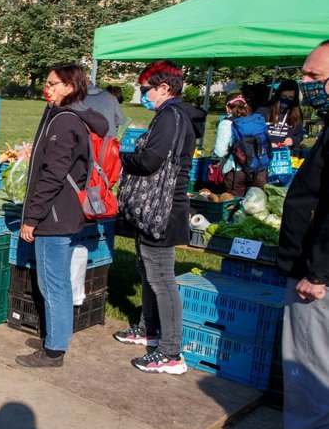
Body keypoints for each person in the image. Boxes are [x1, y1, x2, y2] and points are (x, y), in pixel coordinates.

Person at [244, 40, 329, 429]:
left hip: (317, 278)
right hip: (314, 268)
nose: (305, 85)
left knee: (312, 365)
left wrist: (318, 273)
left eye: (315, 78)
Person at [113, 60, 206, 374]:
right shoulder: (171, 116)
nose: (143, 95)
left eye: (145, 90)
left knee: (163, 280)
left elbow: (151, 160)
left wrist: (120, 157)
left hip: (163, 211)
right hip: (156, 209)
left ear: (164, 88)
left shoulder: (171, 116)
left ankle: (170, 351)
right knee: (148, 271)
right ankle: (149, 328)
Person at [14, 64, 109, 368]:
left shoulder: (65, 123)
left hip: (55, 216)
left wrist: (32, 217)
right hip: (63, 213)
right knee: (56, 281)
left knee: (53, 283)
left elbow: (52, 177)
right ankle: (55, 337)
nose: (48, 87)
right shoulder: (67, 117)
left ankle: (54, 351)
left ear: (69, 86)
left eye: (53, 83)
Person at [212, 94, 268, 196]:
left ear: (227, 108)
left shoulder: (226, 123)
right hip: (259, 170)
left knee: (233, 206)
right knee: (255, 206)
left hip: (236, 171)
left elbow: (220, 152)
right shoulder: (257, 121)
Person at [265, 80, 304, 154]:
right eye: (283, 96)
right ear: (278, 95)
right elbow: (255, 134)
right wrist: (266, 144)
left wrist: (293, 140)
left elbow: (299, 135)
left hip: (285, 155)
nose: (286, 99)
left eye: (291, 97)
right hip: (265, 154)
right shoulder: (265, 110)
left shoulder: (296, 112)